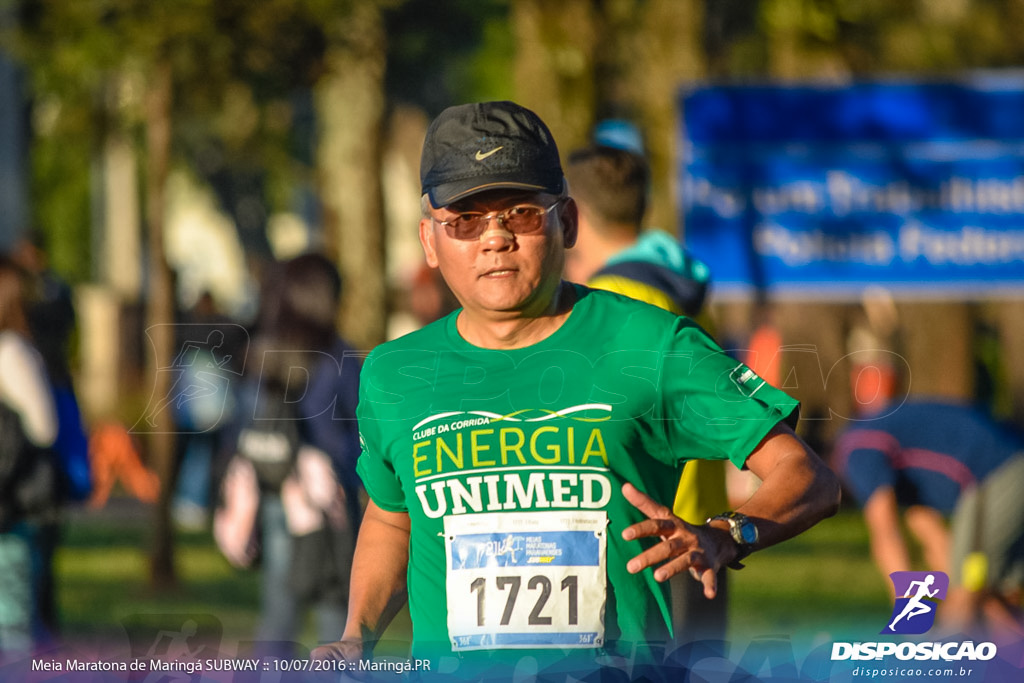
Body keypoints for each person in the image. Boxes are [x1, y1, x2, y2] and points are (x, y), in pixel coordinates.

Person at [313, 101, 840, 677]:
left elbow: (806, 476)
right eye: (465, 220)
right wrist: (355, 635)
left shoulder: (653, 345)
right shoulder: (394, 372)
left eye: (520, 213)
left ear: (567, 220)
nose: (495, 238)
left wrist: (725, 534)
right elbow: (393, 518)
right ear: (430, 241)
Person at [564, 142, 729, 643]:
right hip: (701, 526)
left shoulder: (616, 305)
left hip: (649, 535)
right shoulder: (683, 289)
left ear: (572, 211)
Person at [214, 253, 362, 657]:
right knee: (336, 609)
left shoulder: (262, 355)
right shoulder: (340, 357)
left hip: (277, 494)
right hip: (333, 501)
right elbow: (357, 435)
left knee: (279, 612)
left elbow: (241, 426)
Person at [833, 397, 1024, 639]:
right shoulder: (891, 453)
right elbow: (932, 535)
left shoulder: (856, 448)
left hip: (995, 471)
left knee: (966, 594)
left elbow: (886, 533)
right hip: (1011, 464)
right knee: (995, 595)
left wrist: (910, 620)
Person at [0, 257, 58, 657]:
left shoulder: (11, 352)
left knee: (16, 620)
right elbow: (43, 427)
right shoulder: (11, 352)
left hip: (11, 502)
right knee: (17, 620)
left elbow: (42, 428)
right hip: (11, 502)